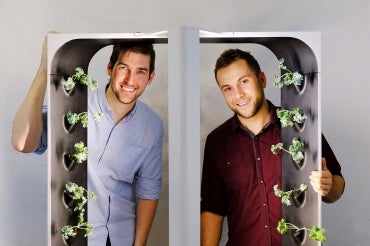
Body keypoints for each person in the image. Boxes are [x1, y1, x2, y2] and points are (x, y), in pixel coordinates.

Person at [12, 33, 164, 246]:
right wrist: (45, 67)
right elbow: (22, 143)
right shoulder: (73, 107)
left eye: (140, 72)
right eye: (124, 68)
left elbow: (148, 190)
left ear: (150, 77)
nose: (131, 80)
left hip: (121, 238)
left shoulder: (152, 125)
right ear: (109, 68)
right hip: (75, 239)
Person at [200, 49, 345, 246]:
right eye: (228, 88)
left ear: (262, 79)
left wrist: (328, 186)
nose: (238, 94)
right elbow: (212, 208)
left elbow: (337, 185)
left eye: (244, 82)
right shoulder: (217, 141)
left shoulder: (300, 126)